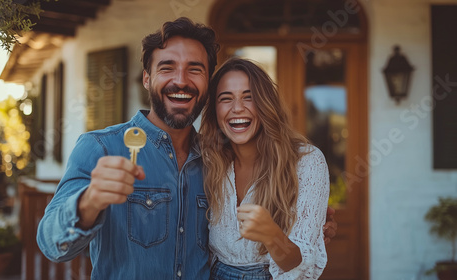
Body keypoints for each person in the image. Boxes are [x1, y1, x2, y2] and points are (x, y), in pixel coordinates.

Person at [36, 17, 336, 279]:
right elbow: (51, 245)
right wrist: (89, 202)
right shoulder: (101, 147)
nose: (181, 80)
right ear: (147, 78)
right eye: (167, 67)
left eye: (195, 69)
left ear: (207, 83)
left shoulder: (216, 157)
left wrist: (304, 231)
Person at [199, 58, 330, 279]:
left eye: (248, 97)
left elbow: (300, 268)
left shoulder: (307, 162)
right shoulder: (207, 159)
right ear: (214, 110)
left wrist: (272, 235)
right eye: (225, 98)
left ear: (265, 104)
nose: (237, 108)